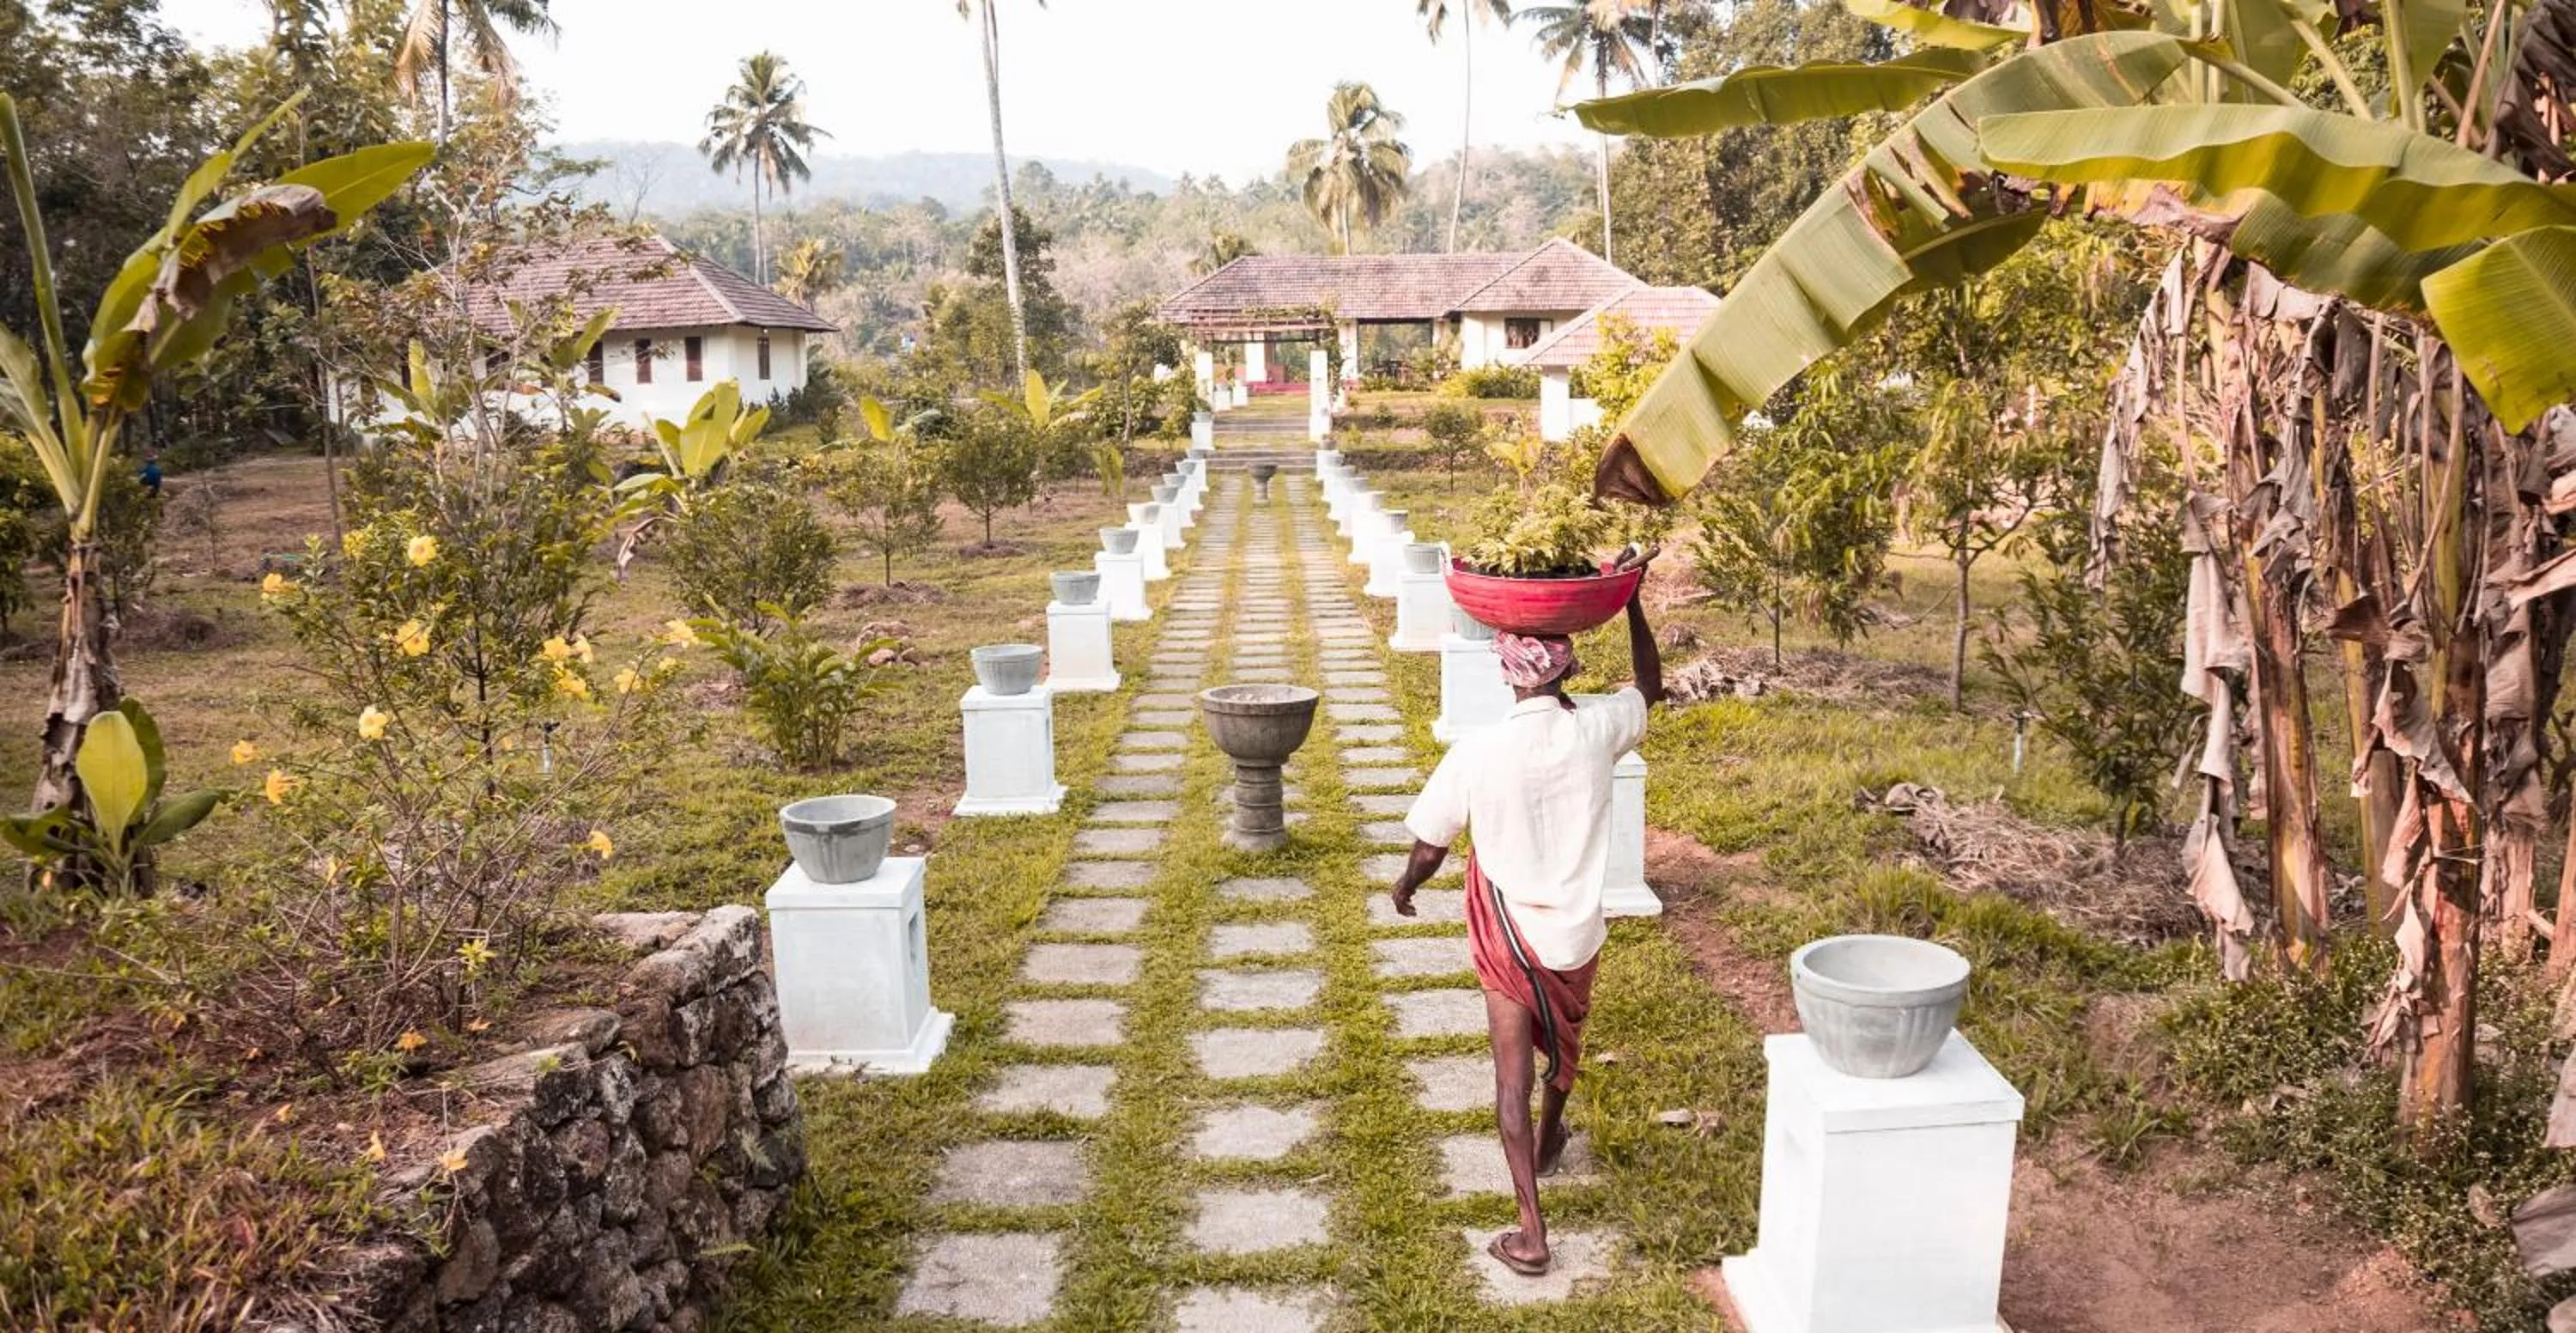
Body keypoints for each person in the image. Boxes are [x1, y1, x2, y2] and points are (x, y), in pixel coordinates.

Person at [1390, 552, 1664, 1278]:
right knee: (1562, 1052)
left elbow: (1430, 846)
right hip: (1577, 932)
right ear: (1567, 669)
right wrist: (1633, 600)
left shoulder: (1478, 751)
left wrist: (1405, 886)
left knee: (1508, 1081)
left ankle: (1531, 1231)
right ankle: (1549, 1142)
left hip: (1508, 934)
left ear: (1507, 674)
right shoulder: (1598, 729)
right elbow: (1650, 687)